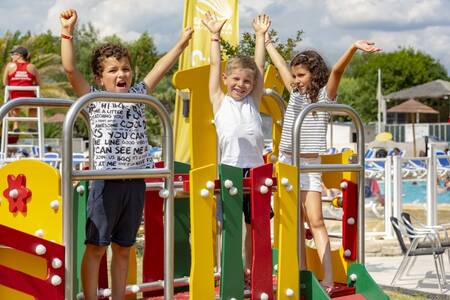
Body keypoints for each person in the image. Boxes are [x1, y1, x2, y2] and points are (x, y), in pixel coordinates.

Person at [59, 8, 193, 299]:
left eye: (125, 68)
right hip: (105, 181)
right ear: (99, 76)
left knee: (124, 248)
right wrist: (67, 32)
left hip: (134, 181)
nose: (122, 74)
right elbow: (70, 69)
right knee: (96, 247)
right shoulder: (93, 99)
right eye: (113, 70)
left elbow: (159, 68)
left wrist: (181, 44)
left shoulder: (139, 96)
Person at [265, 23, 381, 293]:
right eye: (294, 74)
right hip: (287, 161)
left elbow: (338, 71)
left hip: (310, 164)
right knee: (294, 223)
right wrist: (267, 40)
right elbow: (281, 66)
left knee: (316, 220)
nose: (296, 78)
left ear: (313, 74)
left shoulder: (324, 96)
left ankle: (328, 277)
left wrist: (353, 47)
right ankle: (303, 274)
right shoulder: (293, 93)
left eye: (301, 74)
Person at [201, 12, 270, 286]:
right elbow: (214, 66)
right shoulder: (219, 100)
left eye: (246, 81)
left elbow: (260, 67)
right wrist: (214, 36)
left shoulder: (253, 100)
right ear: (226, 79)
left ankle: (251, 272)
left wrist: (260, 37)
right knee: (228, 227)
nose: (240, 85)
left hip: (256, 171)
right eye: (236, 80)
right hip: (230, 169)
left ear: (253, 85)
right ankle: (225, 271)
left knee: (254, 229)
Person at [2, 45, 40, 132]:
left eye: (13, 54)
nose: (11, 56)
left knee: (13, 101)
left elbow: (5, 83)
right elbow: (39, 83)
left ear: (19, 55)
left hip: (14, 99)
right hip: (29, 99)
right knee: (35, 103)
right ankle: (31, 126)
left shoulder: (9, 66)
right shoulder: (32, 67)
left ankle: (16, 125)